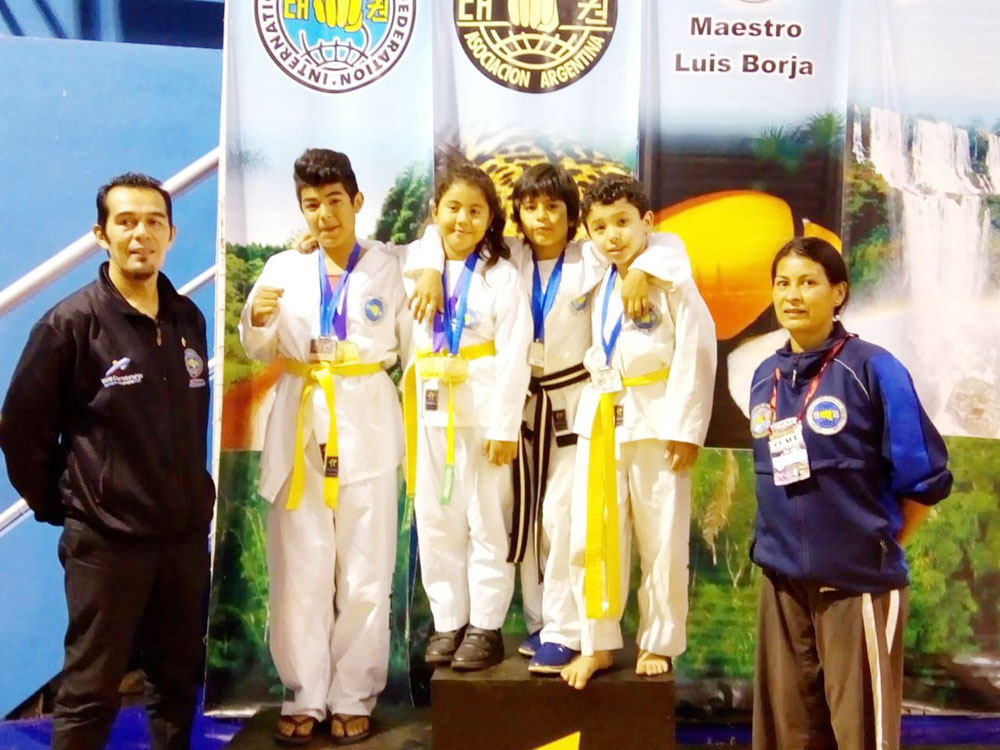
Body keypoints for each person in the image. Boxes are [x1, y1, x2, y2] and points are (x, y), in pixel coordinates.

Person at [0, 173, 215, 750]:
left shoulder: (188, 318)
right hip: (107, 543)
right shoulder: (70, 324)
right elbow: (19, 428)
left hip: (183, 539)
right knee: (91, 692)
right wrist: (66, 504)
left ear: (171, 233)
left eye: (152, 221)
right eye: (125, 222)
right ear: (101, 234)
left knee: (176, 683)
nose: (139, 233)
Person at [749, 237, 952, 750]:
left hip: (856, 586)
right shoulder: (763, 376)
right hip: (782, 585)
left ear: (838, 292)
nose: (793, 295)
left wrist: (876, 547)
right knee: (789, 733)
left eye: (809, 282)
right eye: (783, 282)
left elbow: (924, 480)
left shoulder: (872, 368)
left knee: (859, 733)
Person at [240, 149, 414, 745]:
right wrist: (255, 318)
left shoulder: (392, 267)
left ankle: (353, 693)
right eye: (311, 204)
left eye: (334, 201)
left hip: (366, 415)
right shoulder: (282, 267)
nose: (323, 214)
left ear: (357, 202)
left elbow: (414, 341)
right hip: (299, 419)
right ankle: (305, 693)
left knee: (367, 570)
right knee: (301, 567)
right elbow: (258, 346)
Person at [561, 173, 717, 689]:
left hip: (656, 418)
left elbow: (696, 352)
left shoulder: (672, 279)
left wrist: (687, 429)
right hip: (602, 416)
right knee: (594, 535)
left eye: (624, 222)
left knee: (663, 537)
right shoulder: (594, 272)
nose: (613, 236)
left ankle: (659, 640)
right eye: (601, 227)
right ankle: (598, 642)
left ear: (648, 222)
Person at [403, 162, 532, 671]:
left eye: (475, 211)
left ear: (490, 219)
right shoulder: (415, 266)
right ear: (435, 212)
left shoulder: (500, 277)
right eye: (453, 208)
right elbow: (395, 253)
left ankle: (485, 625)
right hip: (430, 411)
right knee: (437, 520)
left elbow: (516, 353)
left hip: (481, 414)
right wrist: (430, 266)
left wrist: (504, 427)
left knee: (486, 522)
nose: (463, 219)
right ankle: (448, 621)